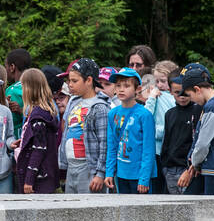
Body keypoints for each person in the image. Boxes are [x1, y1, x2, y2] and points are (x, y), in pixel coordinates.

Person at [179, 63, 214, 195]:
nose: (192, 100)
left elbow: (203, 143)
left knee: (211, 212)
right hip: (213, 168)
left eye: (190, 95)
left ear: (197, 89)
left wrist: (194, 163)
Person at [59, 58, 109, 194]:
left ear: (89, 80)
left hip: (88, 167)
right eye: (69, 81)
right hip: (71, 166)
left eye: (74, 81)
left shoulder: (100, 107)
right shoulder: (74, 102)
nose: (70, 85)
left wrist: (100, 173)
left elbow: (104, 143)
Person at [104, 68, 155, 194]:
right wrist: (109, 172)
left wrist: (144, 178)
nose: (121, 89)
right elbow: (112, 146)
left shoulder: (144, 115)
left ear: (137, 89)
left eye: (127, 86)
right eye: (118, 85)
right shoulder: (113, 114)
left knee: (141, 212)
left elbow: (149, 149)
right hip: (121, 173)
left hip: (139, 175)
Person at [13, 68, 60, 193]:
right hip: (42, 175)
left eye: (22, 87)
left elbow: (39, 149)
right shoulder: (43, 111)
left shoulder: (39, 115)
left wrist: (29, 180)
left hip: (38, 179)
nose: (21, 91)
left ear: (29, 88)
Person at [160, 73, 202, 195]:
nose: (182, 96)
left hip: (188, 167)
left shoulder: (197, 110)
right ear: (171, 92)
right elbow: (166, 140)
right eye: (178, 92)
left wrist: (192, 167)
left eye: (185, 92)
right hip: (170, 168)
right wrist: (165, 165)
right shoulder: (169, 114)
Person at [143, 59, 178, 192]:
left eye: (163, 81)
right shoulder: (156, 96)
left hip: (169, 149)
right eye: (156, 81)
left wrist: (155, 131)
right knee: (156, 187)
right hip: (155, 150)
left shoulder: (175, 98)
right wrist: (151, 98)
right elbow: (146, 116)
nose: (159, 85)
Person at [4, 48, 32, 138]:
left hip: (15, 140)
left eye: (6, 66)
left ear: (12, 67)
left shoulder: (11, 90)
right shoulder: (35, 87)